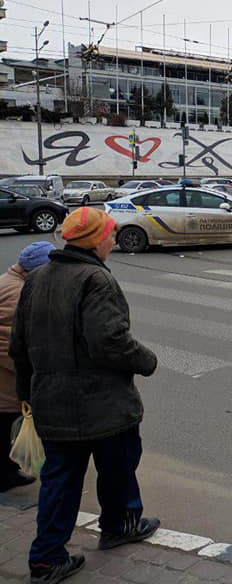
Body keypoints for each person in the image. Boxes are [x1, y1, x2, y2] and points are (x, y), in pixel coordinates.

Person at [10, 208, 160, 584]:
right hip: (102, 402)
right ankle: (119, 526)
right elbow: (109, 341)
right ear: (96, 241)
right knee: (118, 468)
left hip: (52, 402)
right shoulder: (95, 278)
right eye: (109, 234)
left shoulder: (38, 277)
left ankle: (45, 559)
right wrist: (146, 360)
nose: (112, 240)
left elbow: (19, 345)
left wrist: (27, 392)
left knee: (59, 481)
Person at [0, 242, 55, 492]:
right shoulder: (18, 292)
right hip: (6, 380)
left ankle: (7, 470)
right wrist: (31, 373)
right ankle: (5, 475)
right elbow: (10, 343)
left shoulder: (9, 281)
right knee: (4, 425)